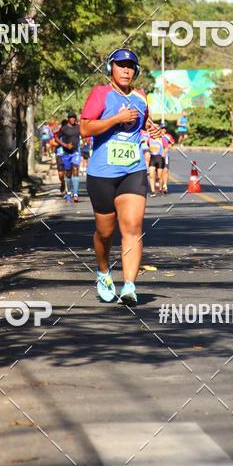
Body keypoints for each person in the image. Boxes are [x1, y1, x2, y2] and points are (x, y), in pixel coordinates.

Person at [80, 47, 161, 306]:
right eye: (120, 65)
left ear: (135, 71)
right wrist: (116, 118)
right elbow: (85, 128)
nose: (125, 70)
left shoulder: (141, 97)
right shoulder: (100, 94)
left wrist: (153, 128)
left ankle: (129, 286)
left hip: (133, 170)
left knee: (133, 227)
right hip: (102, 174)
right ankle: (104, 272)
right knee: (105, 232)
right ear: (110, 69)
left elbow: (144, 121)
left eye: (130, 66)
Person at [55, 111, 81, 203]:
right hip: (66, 153)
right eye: (71, 117)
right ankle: (69, 192)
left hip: (75, 152)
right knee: (68, 173)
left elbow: (85, 134)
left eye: (74, 117)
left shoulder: (78, 127)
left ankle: (76, 194)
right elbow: (56, 138)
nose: (73, 119)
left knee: (75, 170)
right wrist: (65, 145)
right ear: (68, 119)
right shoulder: (64, 128)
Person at [147, 131, 165, 196]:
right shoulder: (149, 139)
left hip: (160, 158)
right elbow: (148, 146)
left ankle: (160, 189)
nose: (153, 134)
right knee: (151, 175)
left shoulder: (162, 139)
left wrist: (164, 153)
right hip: (153, 158)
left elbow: (167, 147)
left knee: (159, 176)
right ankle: (153, 191)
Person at [53, 119, 68, 194]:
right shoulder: (57, 133)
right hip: (60, 155)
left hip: (69, 155)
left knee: (69, 173)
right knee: (61, 174)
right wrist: (61, 143)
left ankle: (69, 189)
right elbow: (52, 142)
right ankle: (63, 183)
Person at [160, 125, 175, 194]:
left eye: (165, 128)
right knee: (158, 172)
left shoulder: (168, 136)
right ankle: (158, 184)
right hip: (156, 155)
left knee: (165, 170)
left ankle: (165, 186)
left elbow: (172, 143)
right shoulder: (156, 135)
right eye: (162, 128)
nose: (163, 130)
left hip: (165, 156)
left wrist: (168, 146)